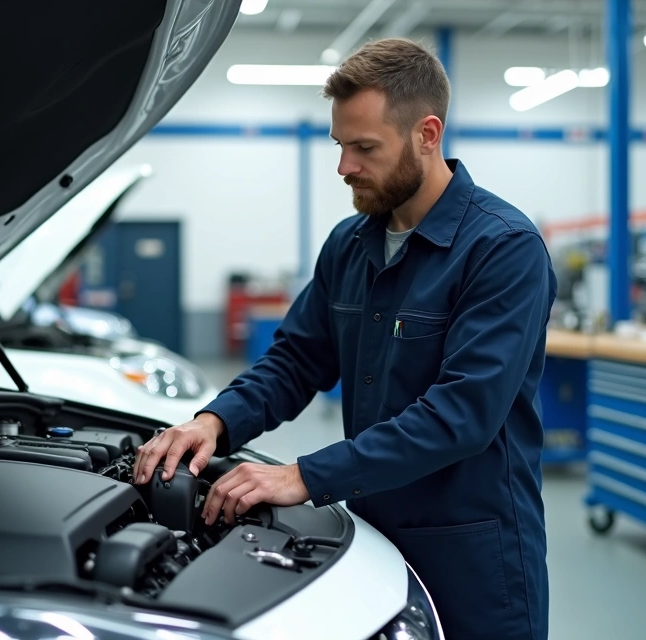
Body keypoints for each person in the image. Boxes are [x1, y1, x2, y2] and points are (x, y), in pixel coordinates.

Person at [133, 37, 556, 640]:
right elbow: (296, 360)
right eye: (340, 145)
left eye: (364, 148)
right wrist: (214, 423)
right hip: (373, 533)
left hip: (474, 554)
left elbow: (463, 414)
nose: (344, 167)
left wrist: (305, 475)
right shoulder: (350, 244)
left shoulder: (501, 248)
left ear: (427, 134)